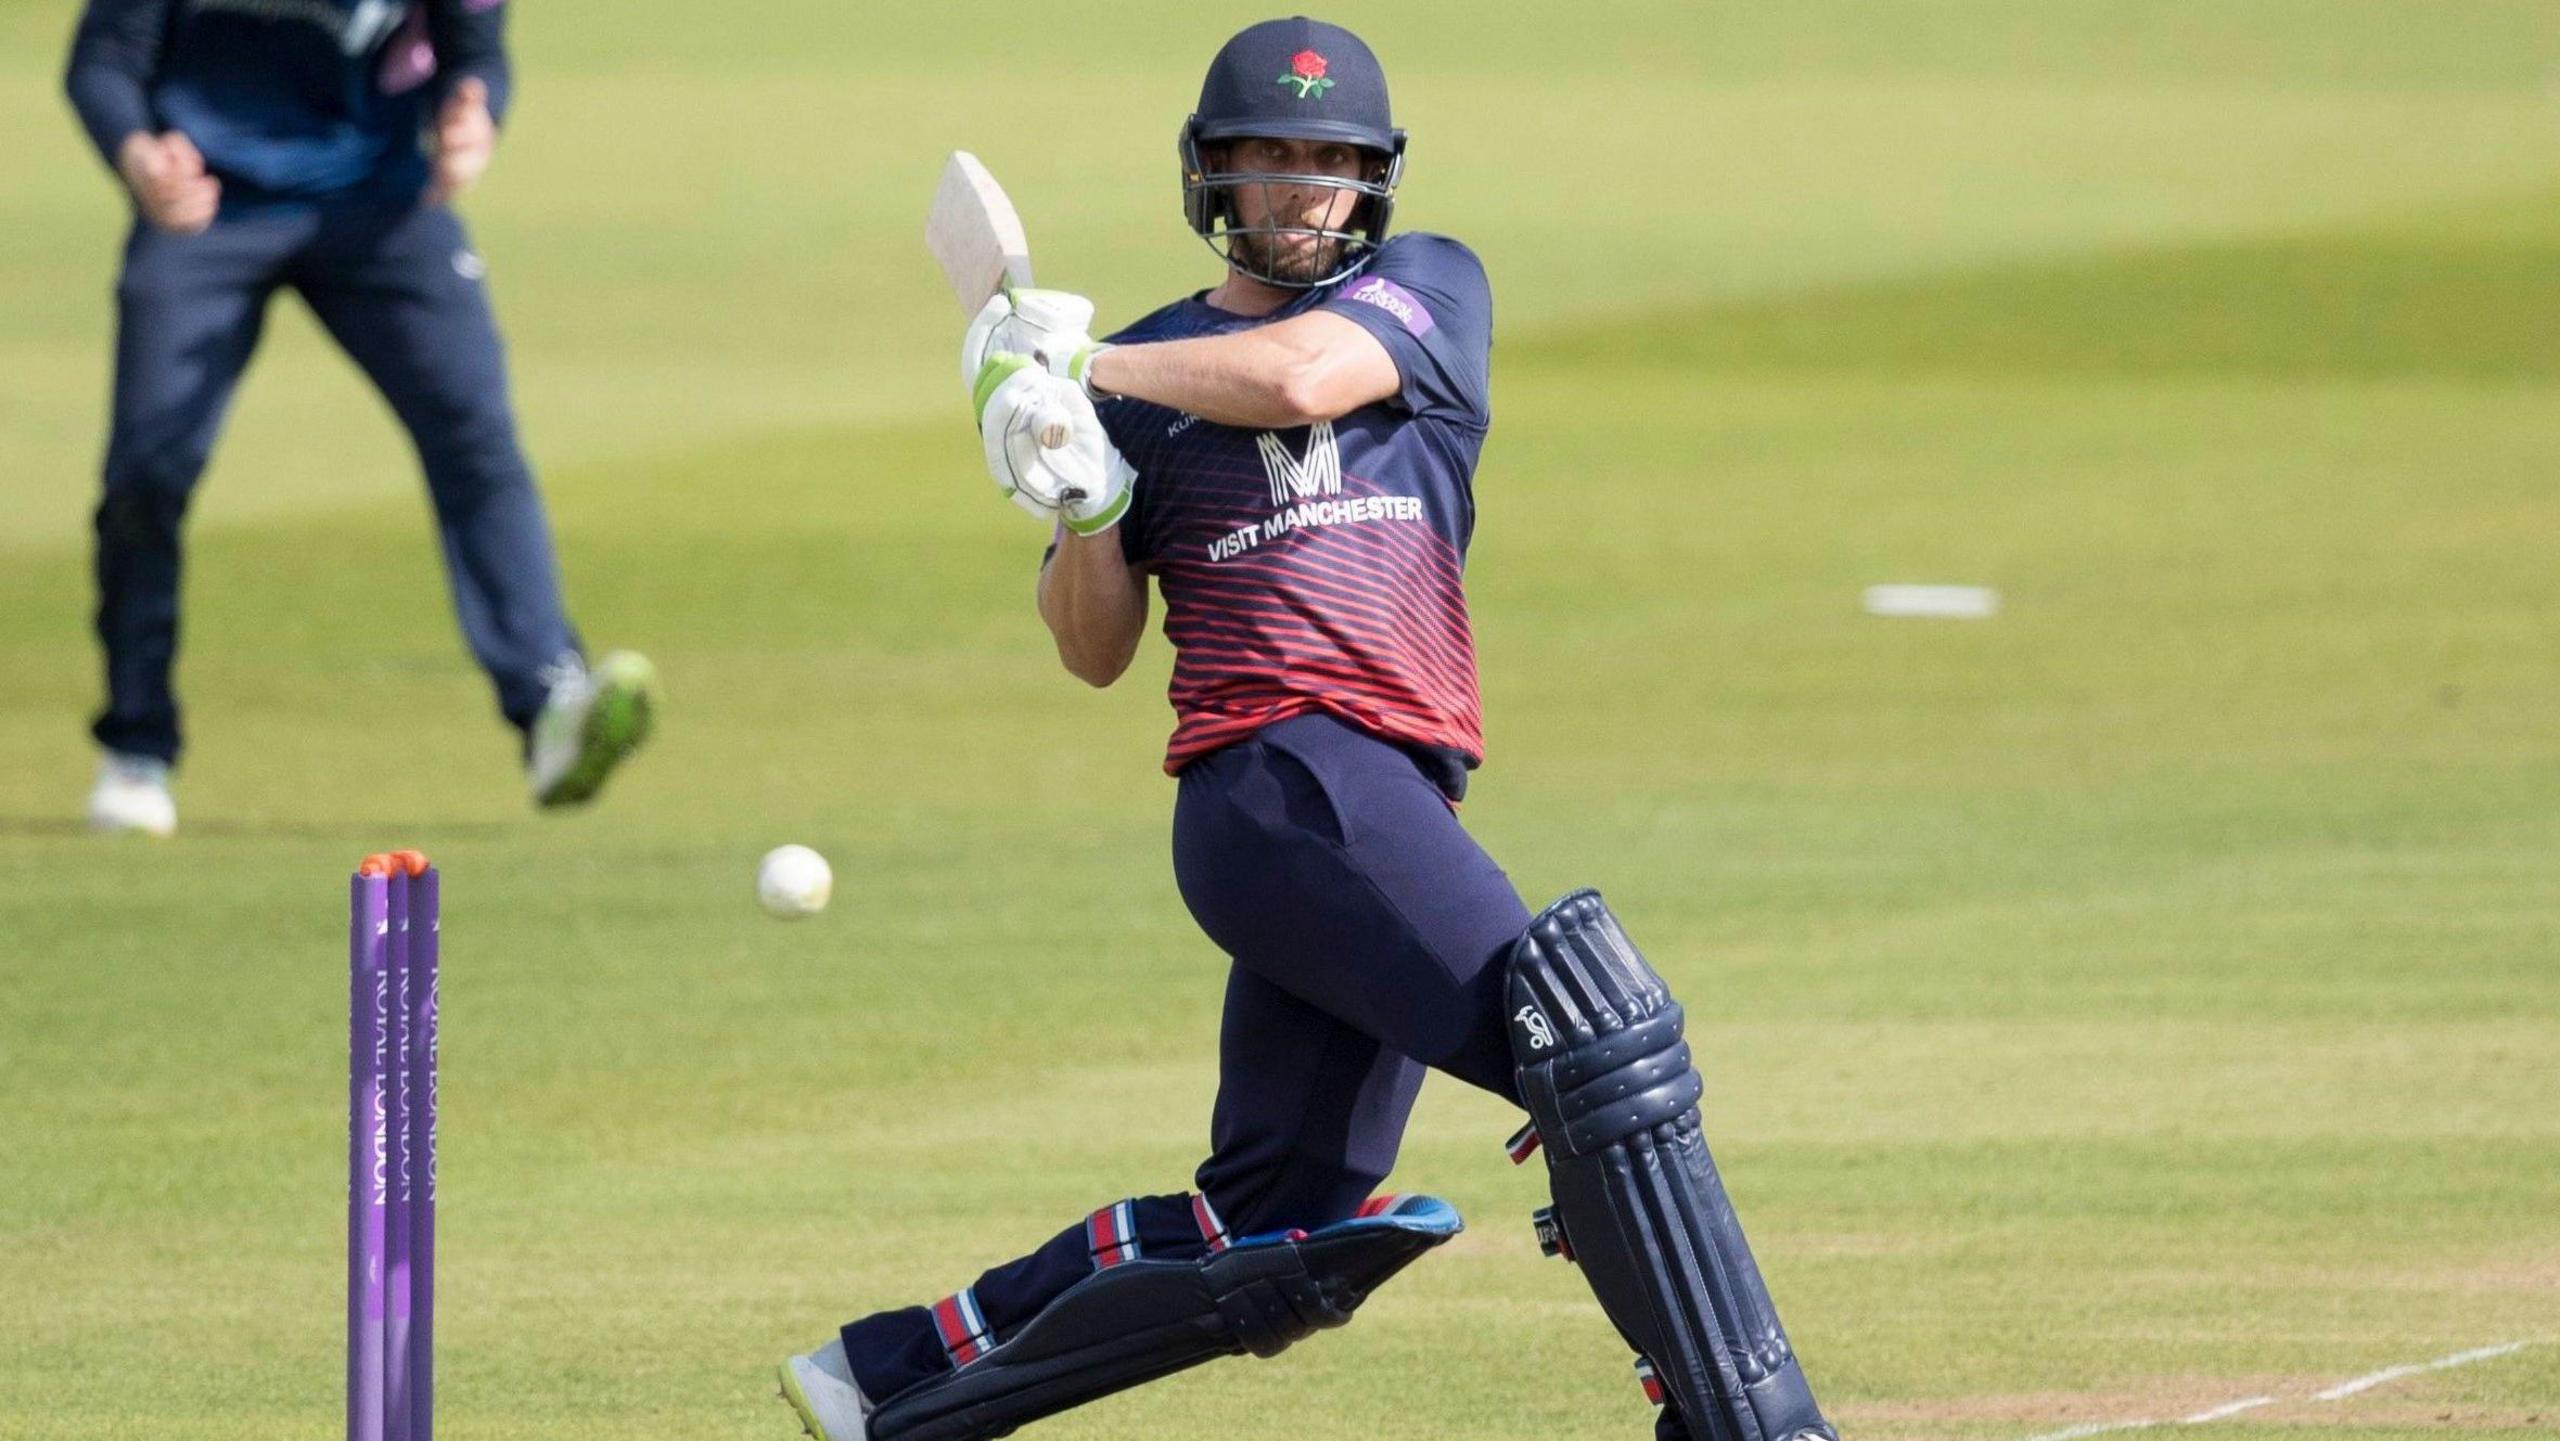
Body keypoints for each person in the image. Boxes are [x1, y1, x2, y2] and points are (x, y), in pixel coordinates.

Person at [780, 19, 1840, 1441]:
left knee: (1277, 1222)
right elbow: (1093, 649)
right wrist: (1082, 501)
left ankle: (892, 1379)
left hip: (1378, 798)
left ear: (1374, 181)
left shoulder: (1425, 289)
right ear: (1211, 177)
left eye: (1329, 162)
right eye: (1265, 160)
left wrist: (1086, 365)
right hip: (1279, 777)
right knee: (1592, 1044)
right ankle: (1747, 1425)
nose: (1298, 189)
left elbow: (1294, 381)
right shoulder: (1139, 378)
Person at [63, 0, 655, 836]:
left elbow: (475, 54)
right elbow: (103, 61)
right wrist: (136, 151)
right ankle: (136, 746)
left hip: (380, 206)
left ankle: (548, 704)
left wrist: (475, 115)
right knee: (146, 474)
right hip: (204, 205)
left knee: (476, 437)